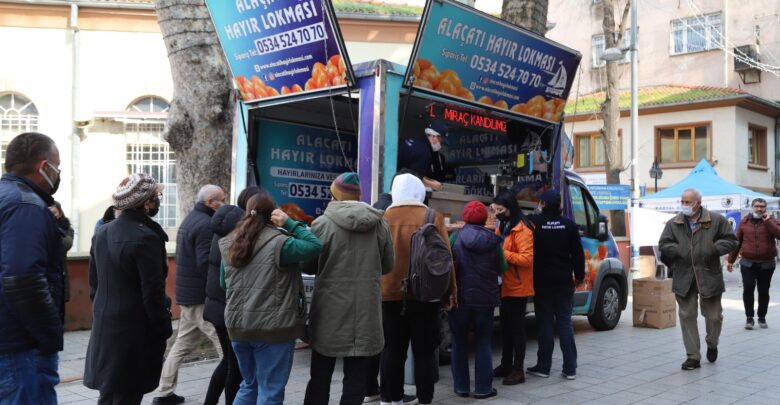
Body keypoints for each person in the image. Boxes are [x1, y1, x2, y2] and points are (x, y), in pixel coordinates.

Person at [219, 192, 322, 405]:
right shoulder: (281, 244)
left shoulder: (229, 242)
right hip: (273, 329)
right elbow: (314, 245)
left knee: (249, 385)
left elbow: (223, 283)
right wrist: (290, 223)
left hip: (238, 328)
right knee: (270, 390)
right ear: (273, 213)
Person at [302, 173, 394, 405]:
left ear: (335, 194)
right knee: (356, 378)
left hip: (329, 311)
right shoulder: (379, 223)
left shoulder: (321, 224)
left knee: (320, 374)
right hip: (366, 310)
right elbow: (387, 265)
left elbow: (308, 265)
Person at [84, 173, 173, 404]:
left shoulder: (102, 233)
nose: (158, 200)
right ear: (146, 202)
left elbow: (94, 285)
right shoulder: (146, 237)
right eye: (156, 196)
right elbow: (152, 293)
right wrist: (163, 328)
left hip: (106, 326)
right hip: (135, 331)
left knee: (109, 394)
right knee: (128, 395)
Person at [380, 173, 456, 405]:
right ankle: (425, 400)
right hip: (426, 295)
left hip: (389, 294)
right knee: (425, 352)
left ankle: (393, 400)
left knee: (393, 350)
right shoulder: (432, 216)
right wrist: (450, 292)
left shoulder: (383, 218)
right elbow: (446, 260)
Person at [0, 132, 63, 404]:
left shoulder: (7, 198)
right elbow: (23, 278)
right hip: (21, 348)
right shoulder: (26, 205)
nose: (58, 174)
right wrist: (49, 334)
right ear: (44, 167)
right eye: (57, 167)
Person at [154, 185, 226, 405]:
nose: (224, 203)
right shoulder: (205, 225)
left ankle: (164, 393)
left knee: (181, 345)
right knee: (227, 348)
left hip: (188, 295)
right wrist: (219, 289)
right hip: (200, 298)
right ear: (211, 202)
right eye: (222, 200)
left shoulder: (191, 219)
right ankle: (235, 391)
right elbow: (205, 263)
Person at [659, 188, 738, 370]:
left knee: (714, 317)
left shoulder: (716, 220)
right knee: (687, 316)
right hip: (683, 275)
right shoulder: (674, 223)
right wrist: (678, 249)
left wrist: (713, 248)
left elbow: (732, 240)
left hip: (709, 274)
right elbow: (664, 244)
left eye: (688, 202)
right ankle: (693, 356)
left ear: (698, 203)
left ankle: (712, 343)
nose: (684, 205)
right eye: (682, 201)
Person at [203, 186, 262, 405]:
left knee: (229, 361)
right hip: (229, 305)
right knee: (235, 366)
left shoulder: (223, 225)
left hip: (215, 304)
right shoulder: (240, 231)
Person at [447, 201, 505, 399]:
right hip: (485, 299)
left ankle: (461, 387)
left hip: (460, 297)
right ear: (483, 218)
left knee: (459, 341)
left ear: (465, 217)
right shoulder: (493, 240)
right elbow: (502, 268)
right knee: (483, 341)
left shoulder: (455, 237)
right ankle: (483, 389)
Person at [526, 189, 584, 380]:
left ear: (543, 204)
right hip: (563, 281)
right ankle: (570, 368)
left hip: (542, 281)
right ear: (559, 205)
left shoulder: (534, 223)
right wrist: (579, 276)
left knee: (544, 323)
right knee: (565, 323)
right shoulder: (569, 225)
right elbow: (577, 254)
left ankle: (543, 367)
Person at [490, 191, 534, 385]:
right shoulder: (504, 224)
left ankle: (518, 370)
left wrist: (503, 253)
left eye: (500, 210)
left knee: (517, 329)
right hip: (504, 284)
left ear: (510, 208)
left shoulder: (522, 228)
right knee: (506, 327)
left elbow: (527, 259)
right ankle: (506, 364)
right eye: (495, 209)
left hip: (517, 286)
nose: (497, 213)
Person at [727, 198, 780, 329]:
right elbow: (737, 242)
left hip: (766, 263)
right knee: (748, 290)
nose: (759, 209)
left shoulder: (772, 221)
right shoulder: (744, 222)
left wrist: (767, 221)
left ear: (765, 208)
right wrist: (730, 260)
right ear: (752, 207)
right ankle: (749, 318)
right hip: (747, 263)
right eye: (756, 206)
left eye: (762, 206)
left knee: (763, 291)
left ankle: (762, 317)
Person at [397, 121, 449, 191]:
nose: (441, 145)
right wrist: (434, 185)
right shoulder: (423, 152)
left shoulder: (417, 140)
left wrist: (430, 180)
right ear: (434, 136)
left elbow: (416, 172)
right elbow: (416, 179)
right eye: (441, 142)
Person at [50, 201, 75, 310]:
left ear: (60, 213)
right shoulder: (42, 226)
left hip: (61, 274)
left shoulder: (67, 228)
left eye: (54, 212)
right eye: (49, 213)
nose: (52, 215)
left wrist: (53, 231)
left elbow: (66, 244)